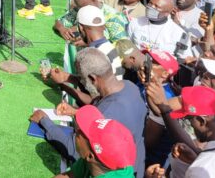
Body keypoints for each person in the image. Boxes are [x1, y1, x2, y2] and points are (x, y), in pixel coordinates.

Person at [34, 48, 146, 177]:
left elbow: (73, 149)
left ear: (93, 78)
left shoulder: (107, 114)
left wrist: (44, 121)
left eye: (81, 78)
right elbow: (99, 101)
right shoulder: (128, 86)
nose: (80, 80)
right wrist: (75, 109)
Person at [146, 86, 215, 178]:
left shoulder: (201, 169)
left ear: (200, 121)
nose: (190, 126)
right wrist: (194, 159)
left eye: (189, 120)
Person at [55, 106, 137, 178]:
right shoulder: (100, 161)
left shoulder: (93, 159)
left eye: (82, 133)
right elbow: (71, 175)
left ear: (90, 156)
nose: (78, 130)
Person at [54, 0, 129, 44]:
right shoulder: (81, 8)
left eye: (85, 7)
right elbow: (58, 22)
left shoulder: (114, 17)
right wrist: (62, 29)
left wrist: (89, 44)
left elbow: (122, 48)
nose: (83, 10)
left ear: (94, 0)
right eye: (80, 8)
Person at [128, 0, 192, 56]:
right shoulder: (135, 22)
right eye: (150, 3)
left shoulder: (179, 34)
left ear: (167, 13)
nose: (151, 7)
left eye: (156, 6)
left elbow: (184, 58)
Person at [76, 6, 125, 79]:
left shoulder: (94, 54)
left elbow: (95, 88)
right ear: (103, 26)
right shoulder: (109, 47)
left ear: (80, 27)